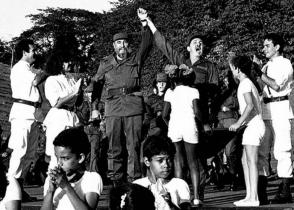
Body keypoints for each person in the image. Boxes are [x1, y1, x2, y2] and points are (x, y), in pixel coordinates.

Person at [140, 8, 219, 201]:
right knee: (178, 159)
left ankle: (198, 196)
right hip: (179, 121)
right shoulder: (181, 63)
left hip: (200, 117)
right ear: (188, 48)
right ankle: (181, 196)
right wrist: (148, 21)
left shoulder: (210, 66)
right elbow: (163, 44)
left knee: (198, 160)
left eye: (201, 43)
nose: (199, 45)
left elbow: (215, 93)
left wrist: (208, 120)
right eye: (195, 42)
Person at [86, 8, 153, 185]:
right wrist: (94, 110)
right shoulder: (105, 63)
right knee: (114, 147)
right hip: (113, 108)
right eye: (118, 43)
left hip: (133, 107)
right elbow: (96, 86)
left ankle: (134, 181)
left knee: (133, 146)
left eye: (124, 42)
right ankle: (116, 181)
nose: (122, 46)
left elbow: (147, 43)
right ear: (113, 46)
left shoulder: (136, 59)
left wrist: (144, 24)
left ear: (128, 45)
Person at [253, 33, 294, 204]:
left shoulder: (285, 64)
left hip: (280, 107)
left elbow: (276, 85)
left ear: (277, 47)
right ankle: (261, 189)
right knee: (262, 148)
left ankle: (285, 190)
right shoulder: (266, 66)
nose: (264, 49)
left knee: (282, 148)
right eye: (263, 46)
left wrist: (258, 71)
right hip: (266, 108)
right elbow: (261, 86)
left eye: (267, 45)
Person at [161, 64, 202, 206]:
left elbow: (164, 115)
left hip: (174, 127)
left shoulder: (170, 92)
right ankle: (196, 197)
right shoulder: (193, 91)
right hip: (190, 125)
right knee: (192, 162)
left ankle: (179, 197)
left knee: (178, 162)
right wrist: (202, 124)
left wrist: (170, 125)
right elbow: (197, 113)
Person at [7, 39, 43, 201]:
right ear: (24, 52)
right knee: (19, 150)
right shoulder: (20, 68)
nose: (35, 52)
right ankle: (10, 188)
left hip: (32, 112)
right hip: (22, 111)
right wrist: (47, 69)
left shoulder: (29, 68)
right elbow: (36, 80)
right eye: (32, 49)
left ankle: (19, 187)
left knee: (30, 152)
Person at [228, 55, 265, 207]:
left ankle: (254, 198)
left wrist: (238, 123)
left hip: (254, 126)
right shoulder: (246, 83)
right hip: (252, 126)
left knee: (251, 161)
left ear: (237, 69)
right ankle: (249, 195)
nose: (231, 71)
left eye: (231, 68)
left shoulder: (244, 84)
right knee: (245, 160)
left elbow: (250, 106)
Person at [41, 127, 103, 210]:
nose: (59, 163)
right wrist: (50, 191)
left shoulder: (92, 178)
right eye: (57, 157)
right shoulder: (51, 179)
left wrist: (66, 186)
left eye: (65, 158)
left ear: (80, 158)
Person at [43, 52, 81, 171]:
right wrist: (73, 93)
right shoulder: (52, 80)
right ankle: (49, 188)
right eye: (65, 61)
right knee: (56, 158)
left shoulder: (71, 79)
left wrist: (80, 91)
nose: (68, 64)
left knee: (71, 155)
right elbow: (56, 103)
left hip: (71, 116)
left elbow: (77, 102)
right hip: (58, 118)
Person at [134, 135, 191, 210]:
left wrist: (169, 202)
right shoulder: (138, 186)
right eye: (160, 160)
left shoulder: (179, 184)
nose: (166, 165)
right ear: (147, 161)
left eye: (169, 160)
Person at [215, 71, 241, 191]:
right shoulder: (219, 89)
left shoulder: (237, 89)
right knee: (218, 152)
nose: (225, 80)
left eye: (227, 78)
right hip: (219, 121)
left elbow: (240, 103)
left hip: (231, 120)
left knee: (230, 151)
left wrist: (230, 107)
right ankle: (220, 176)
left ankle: (234, 177)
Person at [143, 72, 169, 137]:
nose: (162, 84)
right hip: (154, 127)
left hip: (167, 126)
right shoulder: (150, 98)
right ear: (156, 84)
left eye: (164, 82)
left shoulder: (169, 97)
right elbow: (148, 116)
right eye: (159, 82)